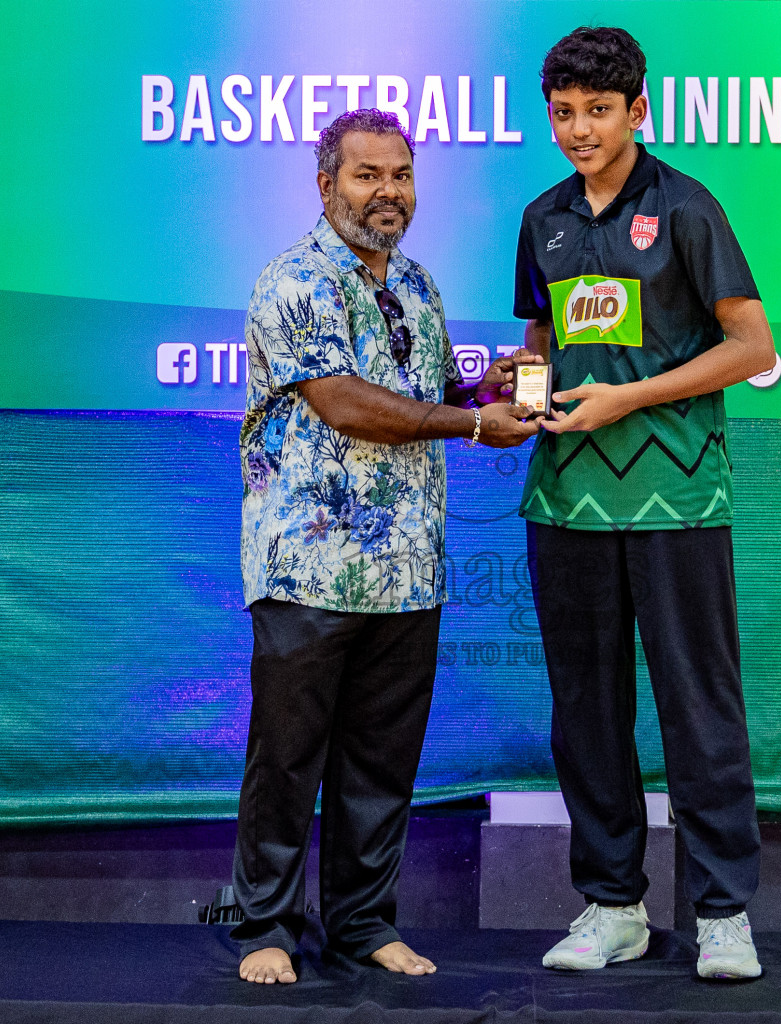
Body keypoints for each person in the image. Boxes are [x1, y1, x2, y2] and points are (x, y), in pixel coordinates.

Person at [233, 108, 538, 985]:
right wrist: (475, 423)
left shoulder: (419, 284)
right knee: (287, 759)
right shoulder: (293, 280)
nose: (388, 192)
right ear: (325, 183)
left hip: (408, 570)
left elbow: (424, 393)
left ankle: (363, 924)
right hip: (308, 565)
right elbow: (347, 404)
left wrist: (487, 389)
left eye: (401, 175)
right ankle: (265, 929)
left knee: (381, 764)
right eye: (367, 175)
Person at [511, 27, 778, 979]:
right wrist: (524, 380)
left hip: (678, 496)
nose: (579, 130)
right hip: (567, 503)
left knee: (698, 707)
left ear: (638, 111)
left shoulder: (686, 208)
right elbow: (547, 337)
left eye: (598, 111)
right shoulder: (542, 216)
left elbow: (754, 350)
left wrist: (630, 396)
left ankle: (721, 915)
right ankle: (612, 904)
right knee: (586, 711)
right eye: (564, 113)